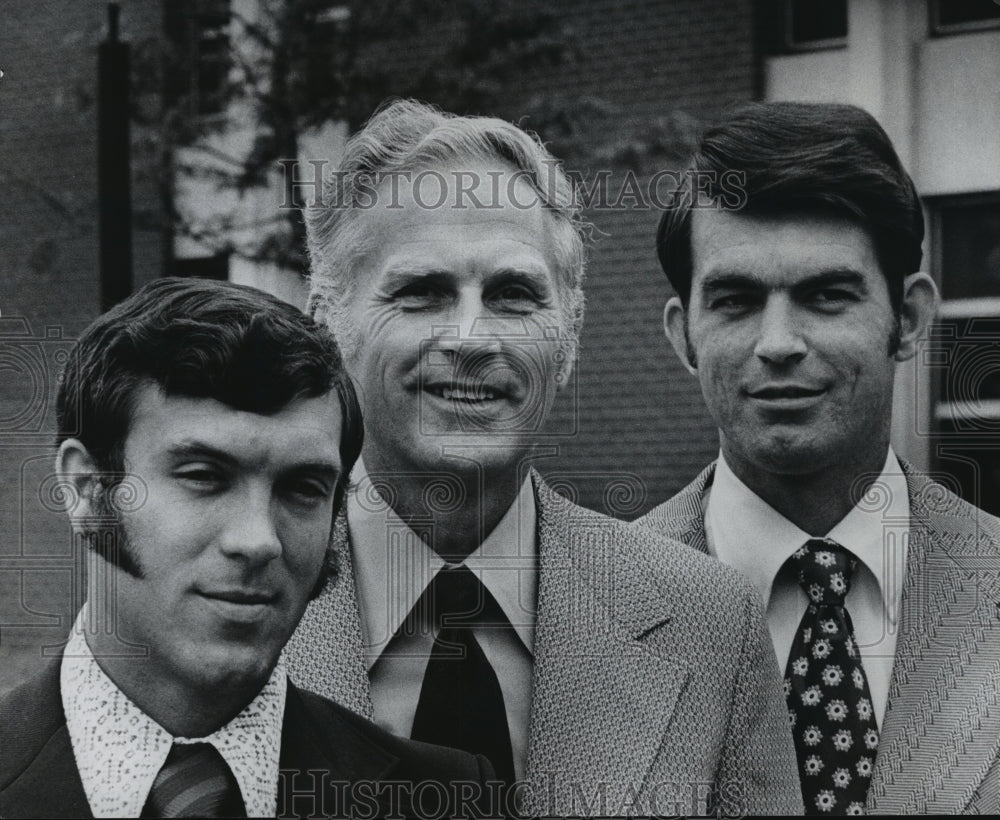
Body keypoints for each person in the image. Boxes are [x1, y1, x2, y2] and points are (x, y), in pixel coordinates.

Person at [283, 98, 802, 817]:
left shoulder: (714, 622)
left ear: (570, 335)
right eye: (422, 292)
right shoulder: (224, 609)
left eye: (513, 295)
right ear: (324, 325)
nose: (471, 337)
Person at [0, 278, 494, 819]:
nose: (259, 539)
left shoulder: (452, 800)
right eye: (204, 477)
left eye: (302, 488)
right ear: (87, 490)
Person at [638, 101, 1000, 815]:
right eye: (736, 300)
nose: (778, 342)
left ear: (910, 319)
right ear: (685, 336)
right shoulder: (576, 621)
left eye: (826, 295)